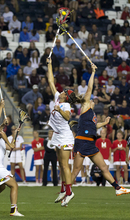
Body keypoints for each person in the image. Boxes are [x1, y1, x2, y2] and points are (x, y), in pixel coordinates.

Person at [70, 62, 130, 206]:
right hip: (82, 141)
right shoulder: (85, 106)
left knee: (104, 167)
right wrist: (93, 72)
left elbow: (93, 126)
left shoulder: (91, 114)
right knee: (76, 170)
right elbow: (90, 87)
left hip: (90, 143)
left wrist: (103, 124)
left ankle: (117, 188)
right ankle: (66, 191)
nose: (92, 100)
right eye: (91, 99)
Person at [47, 57, 81, 206]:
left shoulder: (65, 105)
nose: (60, 91)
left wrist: (59, 109)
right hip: (57, 135)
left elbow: (67, 117)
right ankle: (63, 190)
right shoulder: (57, 98)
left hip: (66, 137)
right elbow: (50, 82)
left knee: (66, 165)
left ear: (66, 96)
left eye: (64, 92)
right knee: (61, 164)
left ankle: (69, 192)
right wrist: (49, 64)